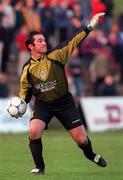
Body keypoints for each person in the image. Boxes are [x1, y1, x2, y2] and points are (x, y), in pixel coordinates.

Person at [8, 12, 107, 175]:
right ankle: (40, 167)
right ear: (31, 47)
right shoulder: (27, 68)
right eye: (39, 41)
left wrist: (90, 26)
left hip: (64, 103)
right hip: (44, 104)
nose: (44, 43)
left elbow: (72, 41)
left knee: (81, 140)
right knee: (33, 130)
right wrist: (22, 104)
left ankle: (91, 155)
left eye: (44, 40)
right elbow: (25, 92)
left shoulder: (56, 55)